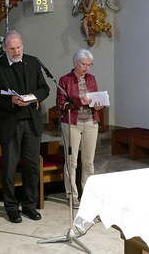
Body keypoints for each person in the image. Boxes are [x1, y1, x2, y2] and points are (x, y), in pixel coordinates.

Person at [0, 30, 49, 223]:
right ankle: (11, 207)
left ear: (23, 45)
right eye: (12, 48)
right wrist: (11, 101)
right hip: (10, 123)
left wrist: (34, 97)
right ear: (5, 48)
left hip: (31, 121)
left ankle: (29, 205)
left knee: (31, 166)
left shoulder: (33, 62)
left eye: (19, 47)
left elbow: (44, 88)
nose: (16, 51)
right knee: (10, 167)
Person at [56, 48, 103, 208]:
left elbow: (96, 98)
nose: (87, 68)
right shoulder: (65, 80)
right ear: (75, 63)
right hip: (71, 123)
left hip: (91, 122)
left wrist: (98, 106)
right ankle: (72, 195)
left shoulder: (92, 78)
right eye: (84, 64)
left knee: (89, 162)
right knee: (71, 161)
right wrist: (79, 101)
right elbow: (61, 104)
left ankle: (88, 194)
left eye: (89, 65)